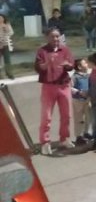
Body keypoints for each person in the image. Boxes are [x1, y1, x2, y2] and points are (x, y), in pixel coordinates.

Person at [35, 27, 76, 155]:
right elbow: (38, 67)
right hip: (48, 87)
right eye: (52, 36)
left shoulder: (65, 50)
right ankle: (45, 142)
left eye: (57, 36)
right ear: (47, 37)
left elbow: (71, 65)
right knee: (46, 116)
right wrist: (46, 64)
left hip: (64, 86)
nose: (55, 39)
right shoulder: (42, 51)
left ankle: (64, 138)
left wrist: (67, 65)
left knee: (66, 115)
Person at [71, 58, 91, 145]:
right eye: (85, 63)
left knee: (89, 117)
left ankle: (86, 132)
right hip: (78, 100)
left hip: (88, 99)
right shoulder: (75, 77)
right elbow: (70, 88)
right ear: (79, 67)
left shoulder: (88, 75)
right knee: (79, 118)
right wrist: (78, 92)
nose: (87, 64)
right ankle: (78, 136)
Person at [0, 13, 15, 79]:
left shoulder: (7, 25)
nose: (0, 19)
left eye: (1, 18)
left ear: (4, 18)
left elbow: (11, 33)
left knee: (7, 60)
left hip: (5, 44)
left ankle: (9, 74)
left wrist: (6, 28)